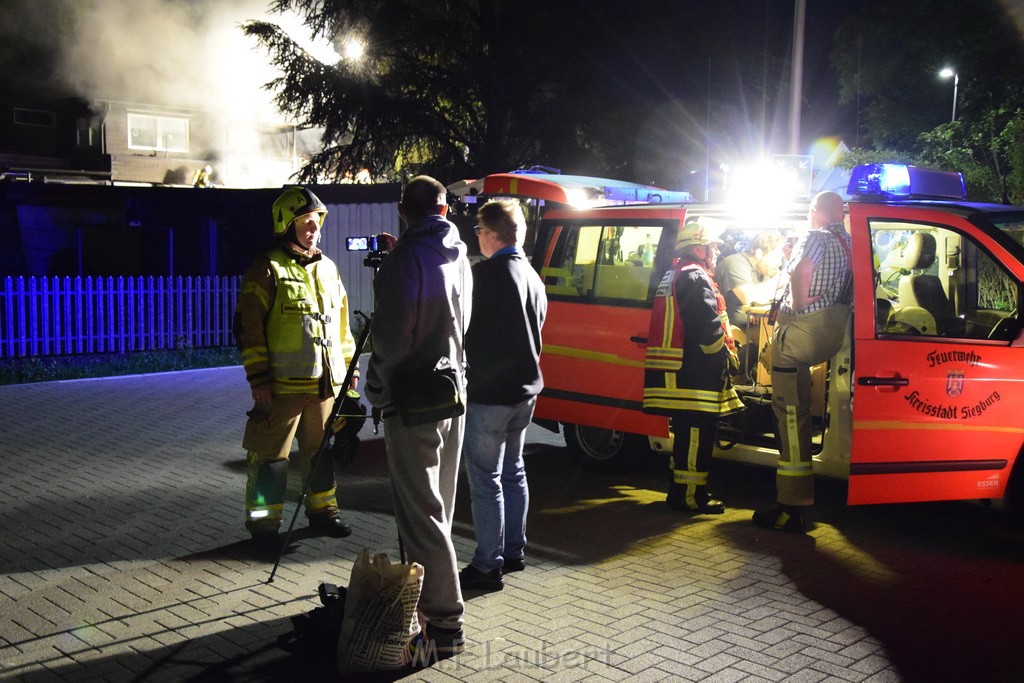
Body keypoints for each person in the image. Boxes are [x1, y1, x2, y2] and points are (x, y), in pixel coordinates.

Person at [364, 175, 472, 659]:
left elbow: (391, 337)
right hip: (452, 391)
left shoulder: (407, 258)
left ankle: (444, 621)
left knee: (420, 513)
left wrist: (376, 386)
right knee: (440, 509)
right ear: (445, 211)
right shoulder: (459, 254)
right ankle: (430, 609)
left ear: (401, 209)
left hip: (412, 400)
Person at [234, 187, 358, 551]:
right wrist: (258, 378)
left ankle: (323, 512)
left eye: (316, 222)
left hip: (323, 385)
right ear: (286, 224)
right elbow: (247, 326)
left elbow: (342, 326)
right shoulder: (267, 267)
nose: (313, 229)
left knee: (321, 453)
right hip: (281, 387)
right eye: (305, 222)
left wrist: (349, 373)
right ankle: (264, 528)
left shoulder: (328, 267)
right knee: (272, 460)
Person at [458, 200, 547, 592]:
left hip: (490, 395)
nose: (476, 237)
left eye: (478, 231)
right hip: (525, 393)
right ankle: (515, 551)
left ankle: (486, 565)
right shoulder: (532, 276)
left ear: (493, 234)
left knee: (485, 480)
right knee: (514, 472)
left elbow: (463, 329)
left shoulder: (487, 276)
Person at [753, 191, 853, 533]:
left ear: (814, 212)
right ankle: (794, 503)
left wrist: (798, 300)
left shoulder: (814, 236)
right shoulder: (849, 242)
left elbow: (803, 270)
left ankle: (790, 507)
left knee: (789, 419)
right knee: (800, 410)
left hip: (799, 335)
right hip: (828, 336)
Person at [642, 216, 743, 514]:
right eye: (712, 247)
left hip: (681, 373)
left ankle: (683, 491)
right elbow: (707, 329)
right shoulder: (695, 276)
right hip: (695, 375)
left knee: (687, 435)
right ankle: (690, 497)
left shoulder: (676, 273)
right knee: (697, 435)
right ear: (699, 249)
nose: (715, 252)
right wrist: (726, 357)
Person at [714, 230, 786, 376]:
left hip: (755, 323)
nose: (779, 263)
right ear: (759, 253)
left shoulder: (765, 270)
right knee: (777, 345)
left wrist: (760, 303)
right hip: (730, 327)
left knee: (786, 338)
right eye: (776, 257)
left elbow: (781, 294)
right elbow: (749, 297)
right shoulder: (735, 263)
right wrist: (782, 279)